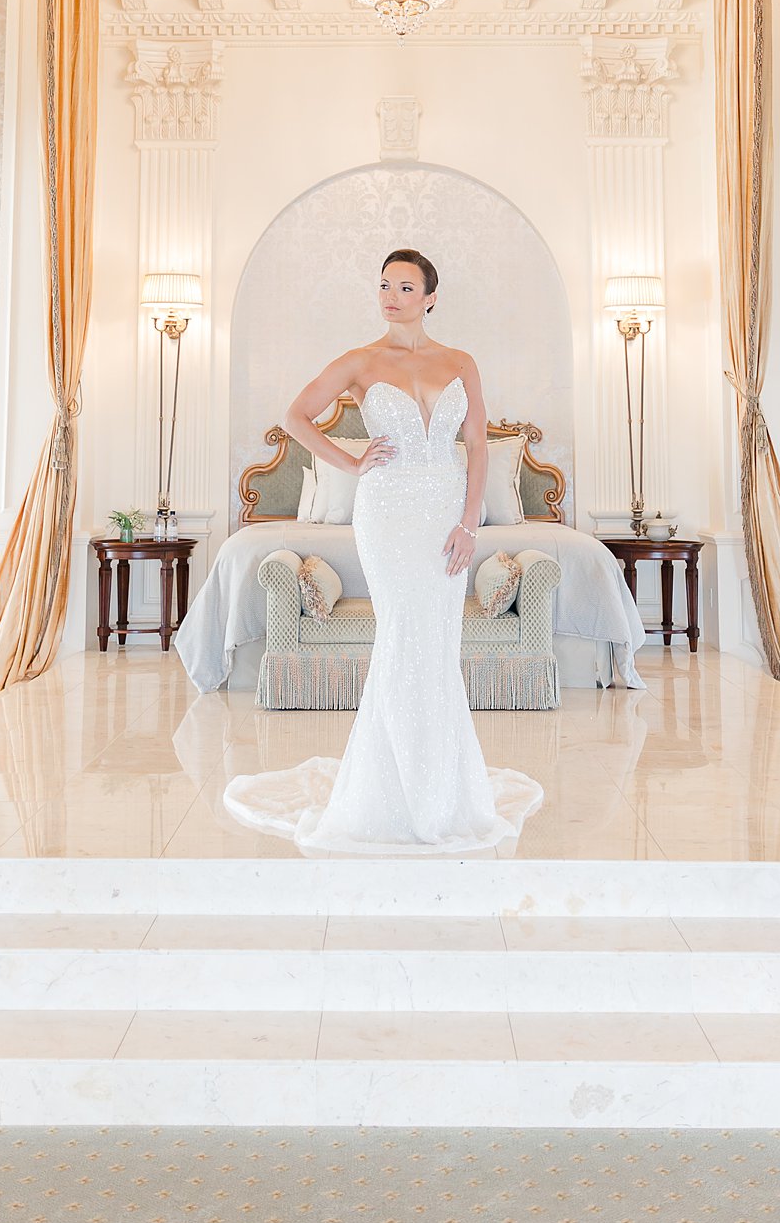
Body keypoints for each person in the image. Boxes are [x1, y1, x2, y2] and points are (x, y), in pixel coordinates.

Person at [222, 248, 544, 852]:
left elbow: (476, 445)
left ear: (430, 298)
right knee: (401, 635)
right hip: (388, 514)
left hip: (446, 513)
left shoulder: (461, 362)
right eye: (384, 285)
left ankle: (442, 790)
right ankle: (386, 795)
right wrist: (349, 462)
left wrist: (470, 522)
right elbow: (295, 416)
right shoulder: (361, 360)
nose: (391, 295)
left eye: (404, 286)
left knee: (437, 641)